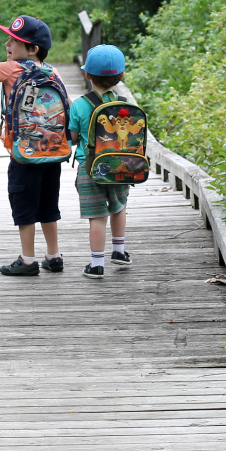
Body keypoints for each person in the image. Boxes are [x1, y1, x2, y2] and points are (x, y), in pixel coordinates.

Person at [0, 16, 66, 276]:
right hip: (53, 152)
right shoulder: (53, 72)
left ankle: (28, 260)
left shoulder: (12, 69)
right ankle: (54, 256)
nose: (7, 43)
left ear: (32, 49)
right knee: (48, 206)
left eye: (14, 40)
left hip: (24, 156)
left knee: (25, 207)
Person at [69, 44, 132, 279]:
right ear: (122, 75)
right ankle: (119, 251)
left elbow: (73, 138)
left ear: (87, 75)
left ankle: (97, 265)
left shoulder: (80, 105)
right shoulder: (126, 104)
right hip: (120, 167)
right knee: (119, 207)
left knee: (97, 216)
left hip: (90, 169)